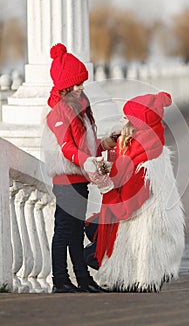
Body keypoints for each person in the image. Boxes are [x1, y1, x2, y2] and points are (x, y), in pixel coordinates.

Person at [84, 92, 185, 292]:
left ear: (136, 126)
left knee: (87, 249)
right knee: (91, 227)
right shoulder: (150, 149)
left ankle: (122, 276)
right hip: (144, 226)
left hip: (137, 237)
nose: (121, 121)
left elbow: (124, 209)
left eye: (126, 118)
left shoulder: (143, 168)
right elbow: (124, 173)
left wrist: (106, 185)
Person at [43, 43, 115, 293]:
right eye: (77, 84)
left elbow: (86, 145)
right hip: (66, 179)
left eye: (82, 82)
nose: (81, 87)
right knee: (64, 230)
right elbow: (67, 146)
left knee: (74, 231)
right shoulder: (59, 110)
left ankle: (83, 280)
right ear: (65, 85)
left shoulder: (80, 106)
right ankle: (60, 281)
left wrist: (105, 144)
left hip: (79, 178)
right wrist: (86, 161)